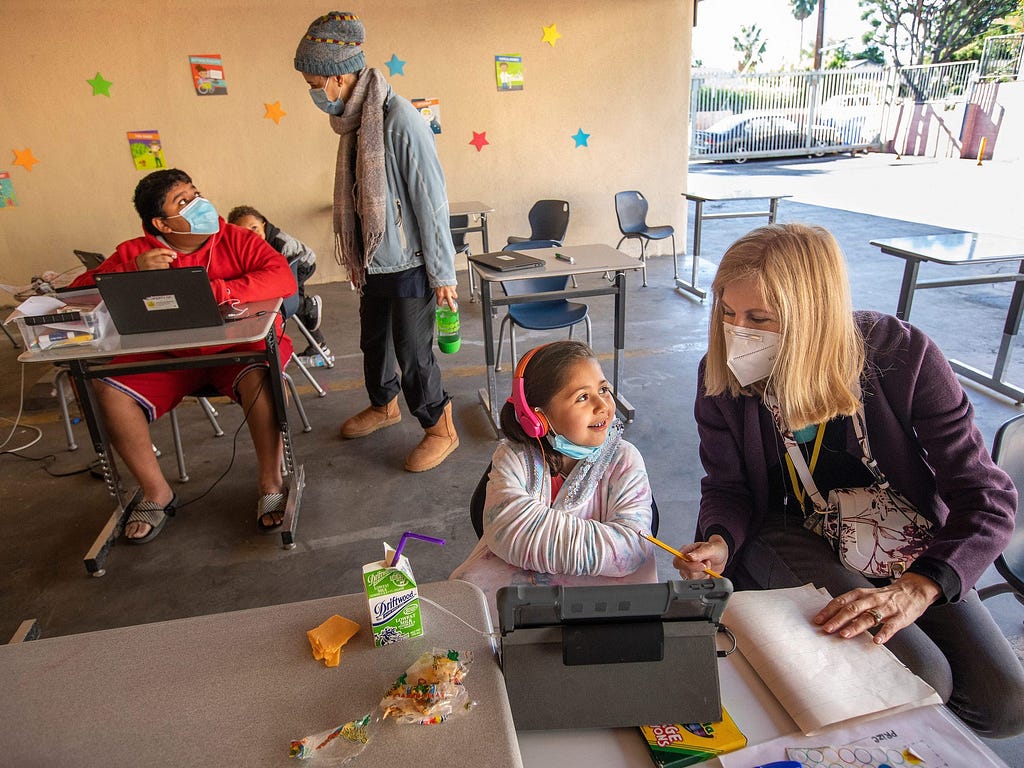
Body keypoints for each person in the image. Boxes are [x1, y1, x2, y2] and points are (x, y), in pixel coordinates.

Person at [676, 222, 1024, 737]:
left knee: (1005, 703)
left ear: (814, 315)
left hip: (899, 534)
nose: (737, 332)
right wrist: (721, 541)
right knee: (918, 676)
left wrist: (918, 588)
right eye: (727, 313)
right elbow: (728, 487)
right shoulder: (722, 375)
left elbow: (986, 498)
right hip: (788, 532)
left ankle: (888, 722)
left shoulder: (903, 356)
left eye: (760, 318)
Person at [69, 169, 297, 543]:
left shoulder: (235, 238)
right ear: (161, 222)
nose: (200, 204)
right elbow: (78, 294)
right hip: (169, 357)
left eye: (196, 194)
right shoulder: (135, 252)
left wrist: (221, 290)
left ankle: (271, 483)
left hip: (234, 353)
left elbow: (282, 277)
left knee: (263, 378)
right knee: (108, 390)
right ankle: (156, 491)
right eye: (184, 201)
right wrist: (131, 271)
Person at [294, 10, 459, 472]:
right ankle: (384, 405)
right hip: (373, 261)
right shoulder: (356, 120)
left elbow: (431, 199)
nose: (313, 93)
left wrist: (443, 272)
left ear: (340, 76)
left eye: (314, 83)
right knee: (374, 343)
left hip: (408, 260)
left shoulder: (399, 117)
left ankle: (439, 426)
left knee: (413, 351)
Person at [450, 341, 657, 619]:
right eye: (582, 397)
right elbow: (510, 529)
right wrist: (604, 547)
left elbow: (632, 547)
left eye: (603, 390)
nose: (602, 405)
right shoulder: (514, 457)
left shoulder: (624, 459)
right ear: (539, 416)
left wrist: (533, 534)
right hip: (521, 606)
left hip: (600, 609)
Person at [227, 205, 333, 362]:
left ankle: (309, 306)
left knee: (292, 301)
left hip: (303, 264)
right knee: (297, 308)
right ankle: (318, 344)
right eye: (245, 232)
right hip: (291, 267)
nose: (252, 234)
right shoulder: (249, 248)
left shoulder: (281, 243)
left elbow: (284, 276)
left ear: (264, 224)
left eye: (254, 227)